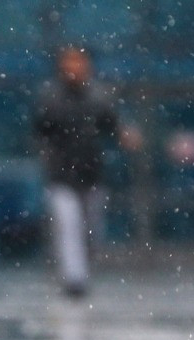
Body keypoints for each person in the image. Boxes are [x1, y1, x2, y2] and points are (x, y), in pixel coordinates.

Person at [34, 47, 138, 298]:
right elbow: (39, 131)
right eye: (69, 62)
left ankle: (80, 271)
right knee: (68, 225)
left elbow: (113, 126)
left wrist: (126, 136)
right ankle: (74, 280)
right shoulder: (51, 98)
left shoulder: (98, 97)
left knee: (91, 231)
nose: (74, 68)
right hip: (60, 176)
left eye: (78, 62)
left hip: (91, 175)